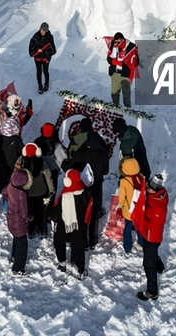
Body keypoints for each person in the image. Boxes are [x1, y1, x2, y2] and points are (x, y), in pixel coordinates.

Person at [67, 118, 109, 248]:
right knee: (94, 211)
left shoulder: (82, 152)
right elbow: (106, 171)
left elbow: (70, 163)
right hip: (97, 183)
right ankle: (93, 238)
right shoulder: (102, 152)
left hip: (83, 183)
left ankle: (83, 240)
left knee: (83, 211)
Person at [133, 173, 169, 301]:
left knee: (148, 265)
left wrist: (140, 217)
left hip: (152, 238)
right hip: (148, 236)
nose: (147, 189)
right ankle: (159, 266)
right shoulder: (153, 196)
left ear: (155, 190)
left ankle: (152, 292)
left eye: (149, 188)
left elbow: (152, 225)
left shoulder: (158, 208)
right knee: (152, 254)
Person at [52, 168, 92, 278]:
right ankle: (79, 270)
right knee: (78, 247)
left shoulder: (65, 195)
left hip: (65, 226)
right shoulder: (85, 191)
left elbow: (56, 212)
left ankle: (62, 263)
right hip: (80, 227)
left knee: (59, 242)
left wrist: (48, 209)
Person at [20, 142, 54, 238]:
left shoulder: (22, 163)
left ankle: (31, 230)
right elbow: (48, 178)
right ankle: (42, 230)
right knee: (41, 212)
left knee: (31, 211)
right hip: (41, 192)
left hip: (28, 193)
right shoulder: (42, 163)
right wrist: (51, 190)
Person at [3, 166, 32, 276]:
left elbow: (3, 192)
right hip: (19, 222)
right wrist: (30, 218)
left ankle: (14, 257)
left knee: (16, 239)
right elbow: (24, 213)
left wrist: (9, 201)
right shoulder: (21, 194)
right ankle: (17, 269)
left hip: (11, 219)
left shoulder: (10, 186)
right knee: (22, 245)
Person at [118, 157, 146, 254]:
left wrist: (120, 205)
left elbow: (121, 198)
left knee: (128, 229)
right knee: (139, 228)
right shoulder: (141, 178)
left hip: (129, 210)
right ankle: (142, 244)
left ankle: (127, 247)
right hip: (139, 209)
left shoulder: (124, 181)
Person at [107, 32, 138, 107]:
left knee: (126, 95)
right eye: (115, 42)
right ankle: (115, 108)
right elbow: (108, 58)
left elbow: (136, 62)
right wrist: (113, 62)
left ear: (123, 40)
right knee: (114, 93)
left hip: (125, 74)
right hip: (115, 73)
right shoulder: (112, 45)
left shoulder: (131, 47)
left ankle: (127, 110)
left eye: (118, 42)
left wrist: (122, 64)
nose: (116, 44)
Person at [28, 22, 56, 93]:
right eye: (42, 30)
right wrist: (37, 50)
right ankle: (40, 86)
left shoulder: (50, 37)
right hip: (37, 58)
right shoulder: (36, 36)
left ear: (47, 30)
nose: (43, 31)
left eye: (44, 30)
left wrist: (44, 52)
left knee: (45, 71)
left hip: (46, 58)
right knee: (39, 72)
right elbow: (31, 46)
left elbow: (53, 50)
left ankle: (46, 85)